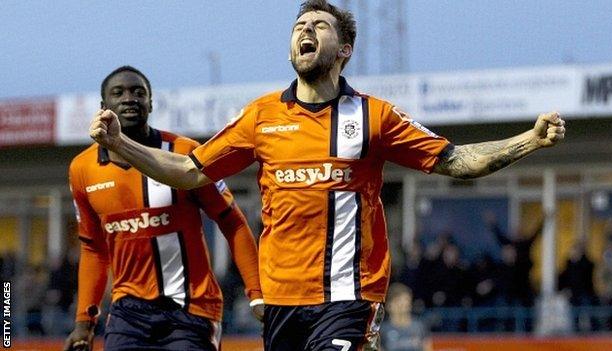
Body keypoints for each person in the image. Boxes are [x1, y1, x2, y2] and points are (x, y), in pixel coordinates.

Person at [88, 1, 566, 349]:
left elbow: (457, 160)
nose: (305, 31)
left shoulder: (377, 117)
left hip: (349, 296)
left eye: (319, 24)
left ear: (345, 50)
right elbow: (189, 171)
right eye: (299, 25)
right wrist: (120, 144)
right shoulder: (260, 117)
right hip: (281, 303)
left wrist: (530, 140)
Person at [64, 66, 263, 351]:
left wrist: (256, 292)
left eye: (139, 92)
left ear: (151, 103)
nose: (129, 98)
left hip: (191, 310)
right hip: (128, 313)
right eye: (118, 93)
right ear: (103, 107)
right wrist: (84, 322)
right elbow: (93, 248)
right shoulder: (82, 169)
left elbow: (232, 221)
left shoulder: (184, 154)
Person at [381, 283, 432, 351]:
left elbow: (427, 347)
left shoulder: (419, 327)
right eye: (398, 301)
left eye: (405, 300)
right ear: (388, 305)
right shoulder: (383, 330)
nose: (402, 304)